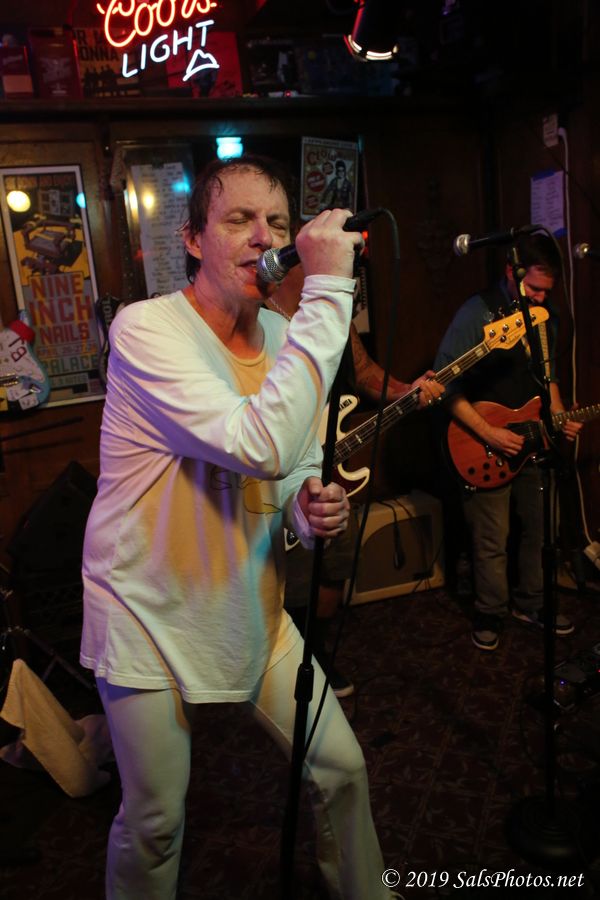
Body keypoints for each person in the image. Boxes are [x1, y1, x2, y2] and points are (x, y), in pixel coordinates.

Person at [80, 154, 397, 900]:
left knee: (342, 769)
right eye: (240, 220)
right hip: (144, 610)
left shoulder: (287, 335)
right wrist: (330, 288)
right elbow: (255, 443)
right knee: (156, 819)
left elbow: (288, 463)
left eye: (279, 223)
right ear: (193, 240)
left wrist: (305, 506)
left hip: (246, 601)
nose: (265, 237)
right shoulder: (147, 330)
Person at [266, 264, 444, 696]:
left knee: (335, 566)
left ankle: (317, 651)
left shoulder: (332, 304)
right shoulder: (257, 311)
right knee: (293, 577)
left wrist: (405, 389)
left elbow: (363, 372)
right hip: (280, 466)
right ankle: (289, 662)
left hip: (332, 459)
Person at [434, 233, 582, 651]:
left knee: (540, 529)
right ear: (511, 273)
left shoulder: (545, 317)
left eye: (547, 291)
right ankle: (490, 612)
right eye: (533, 287)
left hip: (532, 439)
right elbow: (444, 386)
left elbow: (548, 377)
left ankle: (532, 602)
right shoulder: (476, 312)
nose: (540, 297)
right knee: (491, 537)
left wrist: (558, 417)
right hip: (482, 440)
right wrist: (488, 432)